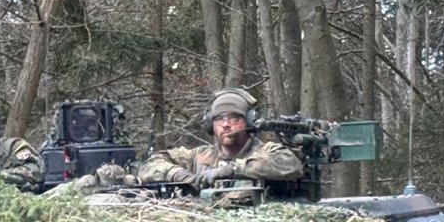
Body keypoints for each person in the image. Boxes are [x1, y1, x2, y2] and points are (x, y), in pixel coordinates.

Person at [103, 87, 303, 187]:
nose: (226, 124)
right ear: (210, 124)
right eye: (219, 119)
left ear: (249, 122)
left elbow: (290, 164)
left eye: (234, 118)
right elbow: (152, 164)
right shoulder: (199, 156)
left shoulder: (266, 151)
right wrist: (178, 174)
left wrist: (231, 169)